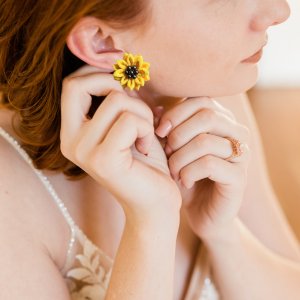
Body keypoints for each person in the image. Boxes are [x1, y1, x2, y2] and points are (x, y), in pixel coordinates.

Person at [0, 0, 299, 300]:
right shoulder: (9, 193)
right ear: (101, 41)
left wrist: (223, 234)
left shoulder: (211, 104)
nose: (279, 10)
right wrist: (151, 223)